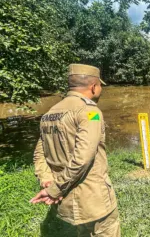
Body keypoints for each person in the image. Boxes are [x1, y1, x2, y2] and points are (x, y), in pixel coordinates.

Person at [30, 64, 120, 237]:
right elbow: (82, 158)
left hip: (67, 203)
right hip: (94, 201)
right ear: (94, 87)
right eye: (100, 86)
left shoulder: (49, 114)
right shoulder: (90, 112)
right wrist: (54, 189)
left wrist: (47, 179)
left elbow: (39, 154)